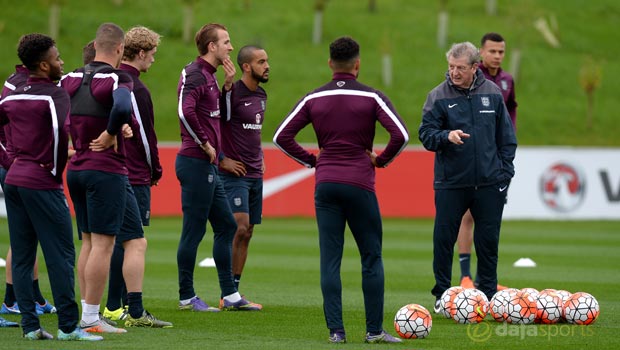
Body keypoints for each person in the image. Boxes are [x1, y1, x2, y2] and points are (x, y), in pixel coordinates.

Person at [273, 36, 408, 344]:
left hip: (327, 184)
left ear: (330, 63)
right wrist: (381, 160)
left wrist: (311, 160)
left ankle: (336, 331)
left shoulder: (313, 98)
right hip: (360, 183)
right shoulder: (372, 97)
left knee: (330, 259)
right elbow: (400, 134)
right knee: (371, 257)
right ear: (357, 64)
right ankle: (374, 331)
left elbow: (282, 136)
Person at [60, 22, 171, 332]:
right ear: (121, 49)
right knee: (116, 244)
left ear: (95, 46)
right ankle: (95, 317)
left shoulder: (69, 77)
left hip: (77, 168)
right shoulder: (118, 78)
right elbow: (122, 105)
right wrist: (111, 132)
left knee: (89, 242)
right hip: (106, 170)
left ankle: (88, 312)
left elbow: (58, 118)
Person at [0, 33, 102, 340]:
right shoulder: (54, 95)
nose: (61, 62)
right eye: (57, 59)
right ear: (44, 65)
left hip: (15, 179)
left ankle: (31, 327)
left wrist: (12, 159)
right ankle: (69, 327)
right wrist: (55, 173)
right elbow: (60, 134)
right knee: (61, 255)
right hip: (42, 182)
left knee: (21, 253)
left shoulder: (12, 92)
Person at [418, 42, 517, 313]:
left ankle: (487, 297)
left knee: (488, 242)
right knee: (443, 240)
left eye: (460, 68)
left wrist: (504, 174)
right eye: (451, 66)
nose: (454, 72)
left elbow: (507, 139)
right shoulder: (437, 96)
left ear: (475, 67)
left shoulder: (493, 93)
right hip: (451, 183)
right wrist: (445, 137)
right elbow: (425, 135)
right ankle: (441, 294)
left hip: (489, 183)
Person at [176, 23, 260, 312]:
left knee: (226, 225)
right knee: (193, 231)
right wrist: (204, 144)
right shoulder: (195, 74)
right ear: (212, 47)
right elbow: (184, 111)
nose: (231, 47)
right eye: (226, 41)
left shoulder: (211, 77)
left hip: (207, 164)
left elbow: (217, 117)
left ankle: (231, 295)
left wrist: (227, 85)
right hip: (194, 162)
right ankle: (187, 297)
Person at [102, 25, 163, 323]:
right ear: (140, 53)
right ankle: (118, 305)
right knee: (130, 241)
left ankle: (116, 304)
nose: (153, 60)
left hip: (109, 168)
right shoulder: (134, 86)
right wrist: (155, 168)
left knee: (115, 240)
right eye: (152, 54)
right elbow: (143, 133)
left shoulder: (109, 79)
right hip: (134, 172)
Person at [456, 32, 517, 290]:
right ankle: (465, 276)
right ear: (481, 52)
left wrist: (509, 138)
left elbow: (511, 109)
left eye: (501, 52)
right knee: (468, 215)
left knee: (490, 218)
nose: (497, 56)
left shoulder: (506, 80)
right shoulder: (470, 76)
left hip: (496, 159)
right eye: (492, 51)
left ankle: (485, 278)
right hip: (471, 156)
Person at [0, 64, 55, 325]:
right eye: (56, 57)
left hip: (19, 166)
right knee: (23, 239)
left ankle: (32, 298)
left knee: (27, 238)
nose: (61, 62)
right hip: (20, 167)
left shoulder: (21, 84)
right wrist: (11, 160)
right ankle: (12, 301)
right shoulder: (18, 87)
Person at [218, 45, 269, 299]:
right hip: (234, 174)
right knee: (239, 226)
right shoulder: (231, 93)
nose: (267, 65)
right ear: (246, 67)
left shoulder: (262, 95)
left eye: (267, 61)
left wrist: (260, 155)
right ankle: (227, 291)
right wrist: (221, 159)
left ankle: (234, 290)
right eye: (261, 61)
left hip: (254, 173)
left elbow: (252, 132)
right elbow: (214, 127)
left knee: (248, 232)